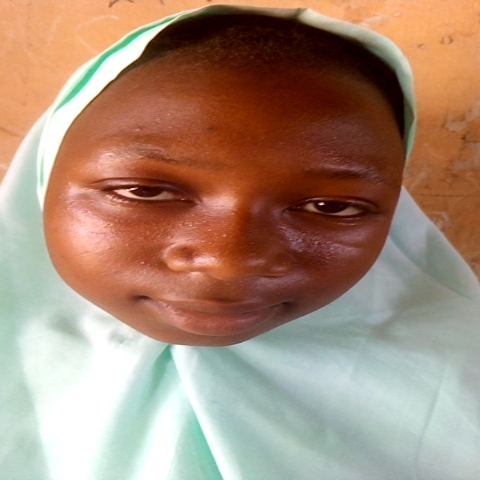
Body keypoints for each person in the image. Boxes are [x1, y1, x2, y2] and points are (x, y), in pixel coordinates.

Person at [1, 4, 480, 479]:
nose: (231, 261)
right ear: (44, 180)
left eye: (330, 207)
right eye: (145, 192)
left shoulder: (459, 395)